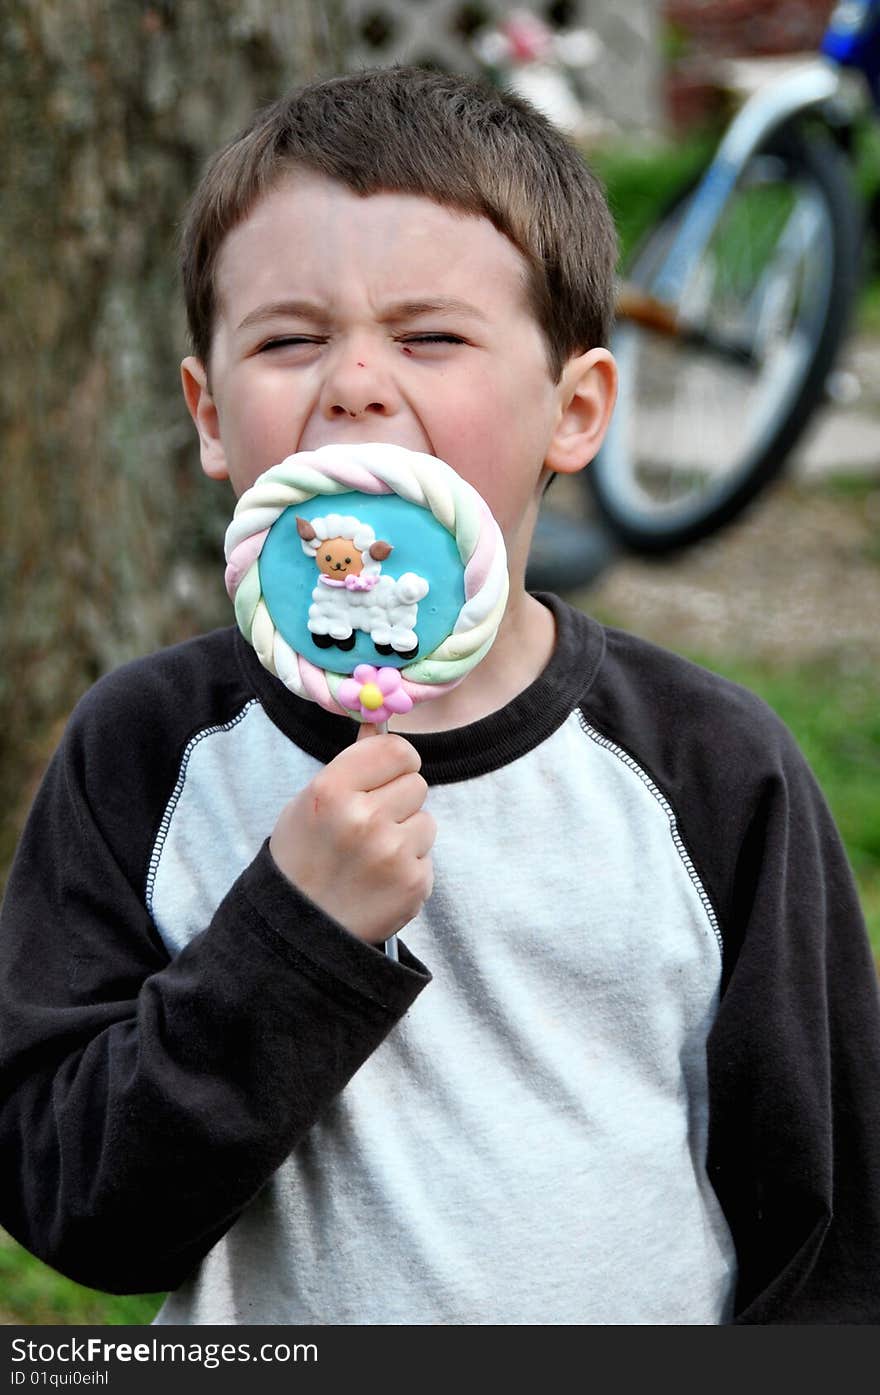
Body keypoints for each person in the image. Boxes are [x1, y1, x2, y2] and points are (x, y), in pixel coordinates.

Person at [1, 65, 878, 1328]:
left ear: (571, 411)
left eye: (430, 338)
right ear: (209, 416)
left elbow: (829, 1231)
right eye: (291, 339)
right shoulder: (145, 752)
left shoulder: (709, 772)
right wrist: (288, 939)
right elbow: (76, 1204)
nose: (355, 383)